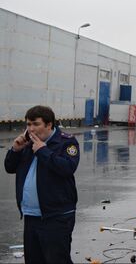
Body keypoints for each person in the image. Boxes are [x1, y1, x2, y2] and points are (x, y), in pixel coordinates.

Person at [4, 105, 80, 264]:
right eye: (28, 124)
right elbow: (9, 168)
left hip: (56, 216)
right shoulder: (27, 143)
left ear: (49, 124)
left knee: (56, 259)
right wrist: (15, 150)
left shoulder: (66, 142)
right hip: (31, 216)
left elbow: (67, 168)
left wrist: (43, 151)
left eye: (36, 124)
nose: (31, 129)